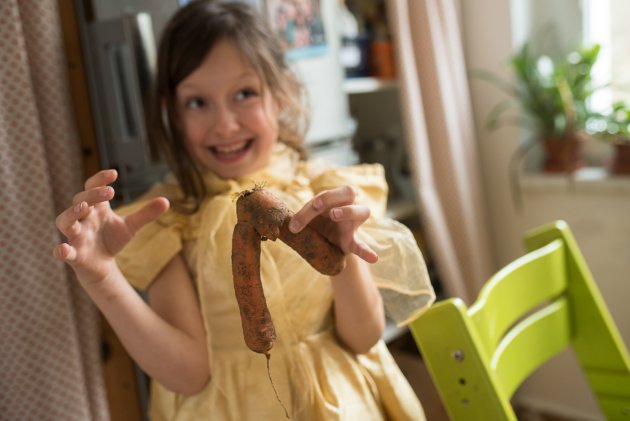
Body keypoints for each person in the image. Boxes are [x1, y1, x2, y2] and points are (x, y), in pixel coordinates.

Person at [53, 1, 435, 419]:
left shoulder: (324, 195)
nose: (225, 124)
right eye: (197, 102)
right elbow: (187, 374)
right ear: (172, 115)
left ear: (281, 93)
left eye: (244, 94)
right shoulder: (167, 217)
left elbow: (363, 336)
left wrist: (343, 257)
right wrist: (102, 277)